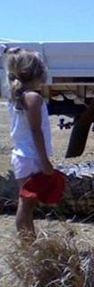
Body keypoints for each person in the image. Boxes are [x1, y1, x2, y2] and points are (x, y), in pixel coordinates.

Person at [3, 46, 54, 240]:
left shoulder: (17, 96)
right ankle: (28, 246)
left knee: (27, 203)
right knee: (26, 204)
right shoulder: (33, 97)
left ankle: (29, 242)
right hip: (31, 157)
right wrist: (45, 162)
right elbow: (35, 130)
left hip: (23, 156)